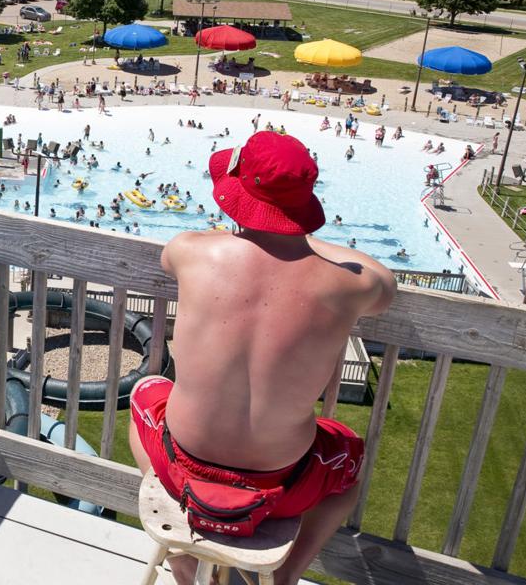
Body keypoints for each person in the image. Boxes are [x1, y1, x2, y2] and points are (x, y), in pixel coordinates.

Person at [128, 132, 395, 585]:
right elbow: (383, 282)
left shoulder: (192, 251)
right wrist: (309, 250)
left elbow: (171, 257)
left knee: (146, 391)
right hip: (282, 484)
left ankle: (182, 553)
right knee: (348, 460)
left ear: (238, 192)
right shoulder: (348, 285)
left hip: (182, 463)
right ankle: (287, 575)